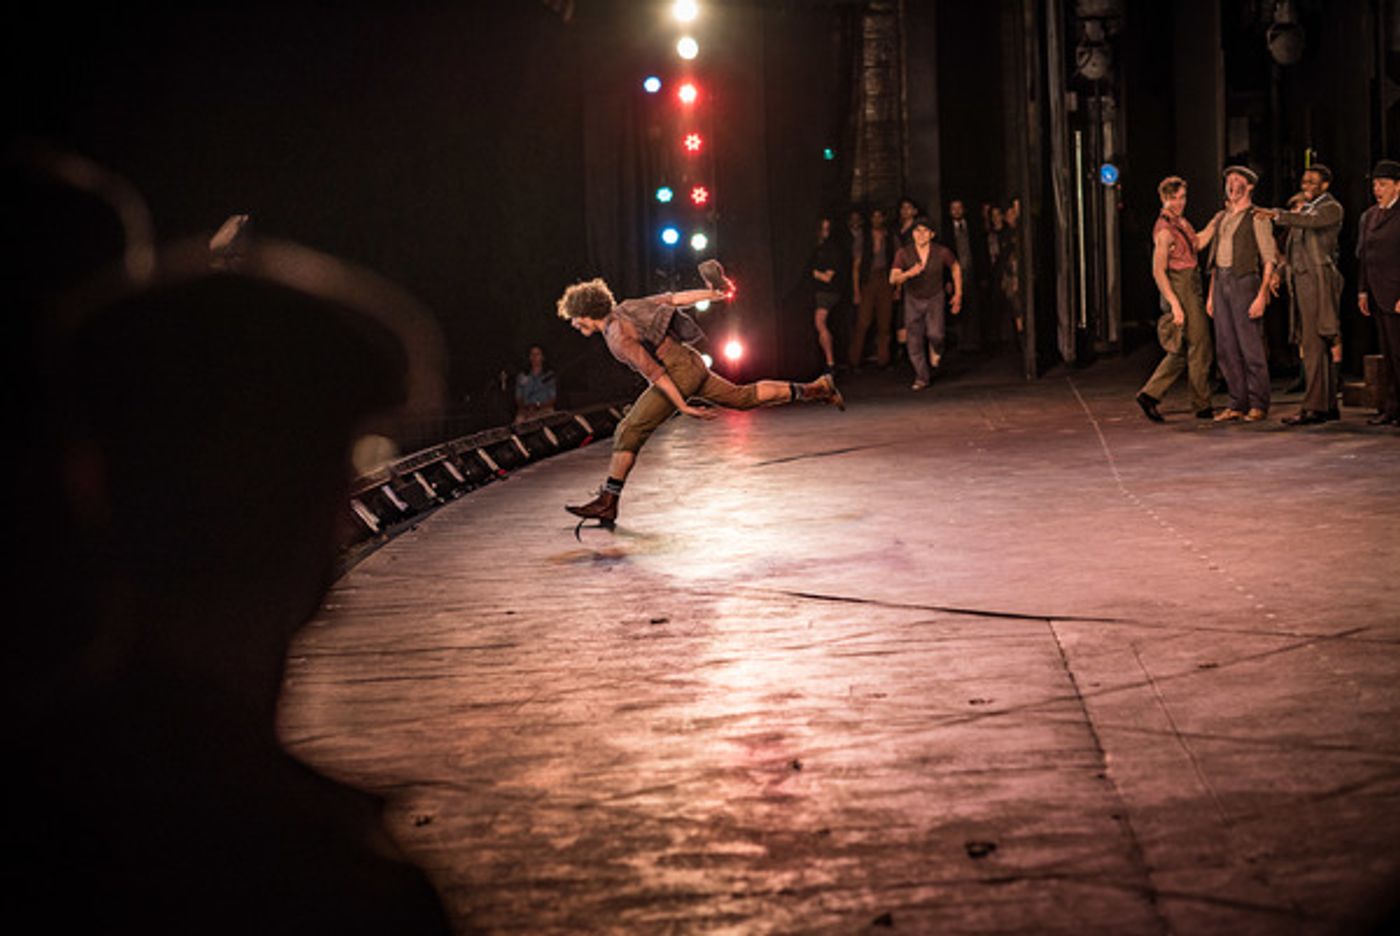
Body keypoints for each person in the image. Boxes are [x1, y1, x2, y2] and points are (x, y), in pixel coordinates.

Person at [555, 271, 844, 524]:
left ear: (586, 313)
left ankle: (608, 501)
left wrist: (682, 406)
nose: (573, 324)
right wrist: (714, 293)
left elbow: (655, 374)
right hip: (690, 361)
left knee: (629, 429)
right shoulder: (628, 307)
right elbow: (675, 299)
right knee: (743, 397)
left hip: (678, 372)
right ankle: (818, 388)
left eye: (574, 319)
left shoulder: (617, 337)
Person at [1134, 175, 1220, 423]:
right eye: (1174, 198)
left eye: (1182, 197)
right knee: (1200, 344)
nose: (1179, 202)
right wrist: (1175, 304)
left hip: (1190, 280)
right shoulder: (1164, 230)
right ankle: (1202, 405)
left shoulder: (1180, 221)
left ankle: (1150, 395)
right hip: (1180, 285)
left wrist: (1215, 222)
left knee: (1182, 349)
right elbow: (1158, 271)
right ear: (1163, 198)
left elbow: (1197, 244)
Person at [1264, 165, 1344, 425]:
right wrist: (1279, 272)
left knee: (1314, 343)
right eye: (1304, 181)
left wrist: (1278, 214)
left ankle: (1313, 407)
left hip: (1317, 283)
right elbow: (1294, 249)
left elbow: (1310, 222)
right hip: (1302, 283)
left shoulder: (1330, 208)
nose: (1306, 185)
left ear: (1325, 185)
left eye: (1312, 182)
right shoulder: (1306, 210)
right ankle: (1326, 405)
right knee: (1313, 345)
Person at [1203, 166, 1277, 422]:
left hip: (1245, 281)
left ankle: (1258, 402)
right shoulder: (1222, 217)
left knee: (1250, 344)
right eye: (1228, 181)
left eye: (1237, 181)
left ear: (1250, 186)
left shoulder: (1257, 216)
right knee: (1226, 346)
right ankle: (1237, 402)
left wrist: (1262, 293)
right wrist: (1212, 295)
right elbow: (1214, 260)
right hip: (1222, 280)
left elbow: (1269, 258)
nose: (1231, 185)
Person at [890, 216, 962, 390]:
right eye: (917, 231)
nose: (921, 235)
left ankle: (936, 349)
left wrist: (958, 294)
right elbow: (893, 278)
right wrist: (909, 273)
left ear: (931, 235)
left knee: (936, 334)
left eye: (925, 231)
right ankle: (922, 377)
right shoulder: (904, 253)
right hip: (913, 299)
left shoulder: (941, 252)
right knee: (914, 340)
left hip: (934, 297)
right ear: (912, 234)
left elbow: (955, 267)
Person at [1356, 158, 1400, 425]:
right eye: (1375, 184)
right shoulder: (1370, 215)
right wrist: (1362, 290)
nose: (1377, 189)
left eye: (1383, 184)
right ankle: (1392, 408)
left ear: (1398, 186)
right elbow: (1364, 256)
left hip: (1396, 295)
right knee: (1388, 354)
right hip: (1377, 292)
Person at [849, 206, 896, 369]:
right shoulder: (864, 237)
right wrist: (856, 291)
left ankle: (884, 360)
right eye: (873, 216)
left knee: (885, 322)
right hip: (868, 280)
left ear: (884, 218)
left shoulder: (890, 236)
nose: (877, 219)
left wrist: (897, 288)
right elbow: (856, 265)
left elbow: (897, 263)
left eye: (879, 216)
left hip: (885, 279)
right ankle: (854, 360)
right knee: (863, 321)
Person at [946, 199, 982, 352]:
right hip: (956, 273)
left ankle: (974, 341)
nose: (957, 211)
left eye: (959, 208)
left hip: (972, 272)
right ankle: (961, 342)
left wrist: (982, 275)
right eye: (953, 208)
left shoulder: (973, 228)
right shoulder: (947, 231)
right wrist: (947, 279)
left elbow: (981, 252)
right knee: (958, 306)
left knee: (974, 306)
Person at [808, 215, 842, 373]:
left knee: (820, 323)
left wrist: (810, 272)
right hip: (818, 291)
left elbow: (828, 277)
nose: (824, 232)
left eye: (827, 229)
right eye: (822, 228)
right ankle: (828, 362)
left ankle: (830, 362)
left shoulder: (832, 249)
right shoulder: (815, 248)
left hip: (828, 292)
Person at [514, 344, 557, 424]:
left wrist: (538, 406)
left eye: (537, 354)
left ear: (543, 357)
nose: (534, 357)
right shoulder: (522, 376)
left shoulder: (549, 375)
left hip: (544, 410)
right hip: (525, 412)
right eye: (532, 354)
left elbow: (552, 399)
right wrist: (525, 409)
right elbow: (518, 398)